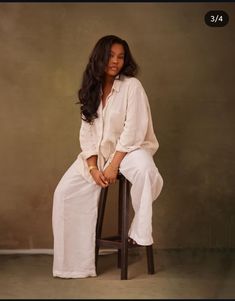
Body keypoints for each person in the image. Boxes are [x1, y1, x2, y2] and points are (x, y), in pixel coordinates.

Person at [52, 35, 163, 279]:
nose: (115, 61)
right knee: (64, 193)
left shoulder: (132, 86)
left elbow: (133, 129)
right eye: (111, 56)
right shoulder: (90, 90)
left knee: (146, 170)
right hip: (99, 156)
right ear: (99, 58)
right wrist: (93, 168)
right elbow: (87, 133)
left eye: (120, 56)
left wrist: (114, 166)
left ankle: (139, 232)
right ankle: (74, 266)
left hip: (130, 149)